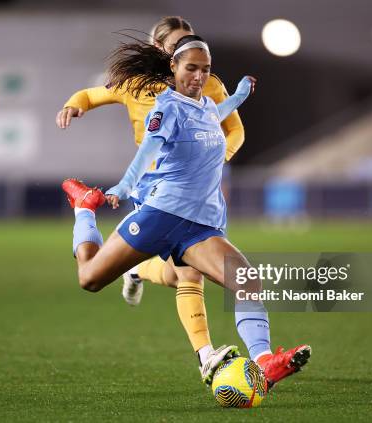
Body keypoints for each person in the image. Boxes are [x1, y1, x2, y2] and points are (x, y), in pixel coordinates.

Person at [61, 34, 310, 388]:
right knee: (90, 279)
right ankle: (84, 209)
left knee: (248, 282)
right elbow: (149, 148)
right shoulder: (167, 109)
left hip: (200, 226)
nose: (198, 76)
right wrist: (126, 186)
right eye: (191, 67)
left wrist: (239, 94)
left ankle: (266, 363)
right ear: (173, 67)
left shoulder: (206, 106)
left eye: (205, 69)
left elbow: (217, 115)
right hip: (161, 215)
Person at [56, 16, 244, 375]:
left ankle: (205, 355)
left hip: (190, 193)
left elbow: (235, 130)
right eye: (177, 46)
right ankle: (87, 213)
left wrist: (215, 160)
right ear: (162, 51)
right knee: (107, 278)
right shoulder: (136, 85)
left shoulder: (208, 84)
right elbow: (90, 95)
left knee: (184, 274)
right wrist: (74, 103)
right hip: (153, 191)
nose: (187, 53)